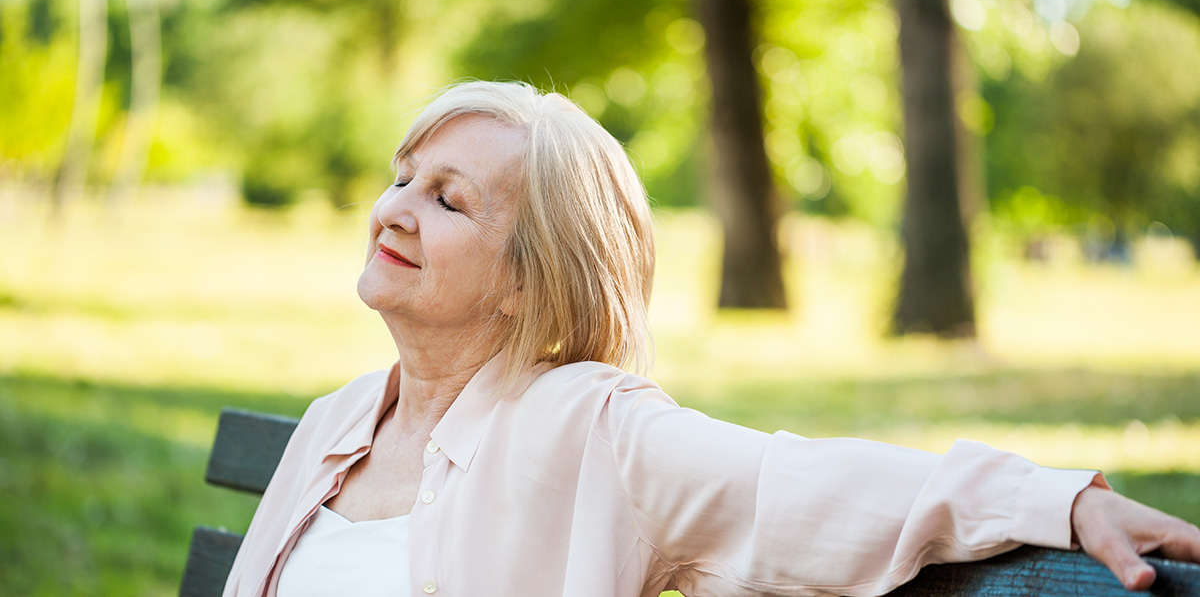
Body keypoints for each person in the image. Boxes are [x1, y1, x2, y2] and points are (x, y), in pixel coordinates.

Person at [223, 81, 1200, 597]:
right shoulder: (339, 420)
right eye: (403, 178)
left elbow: (793, 484)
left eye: (448, 200)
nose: (394, 211)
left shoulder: (591, 431)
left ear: (529, 278)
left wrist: (1060, 502)